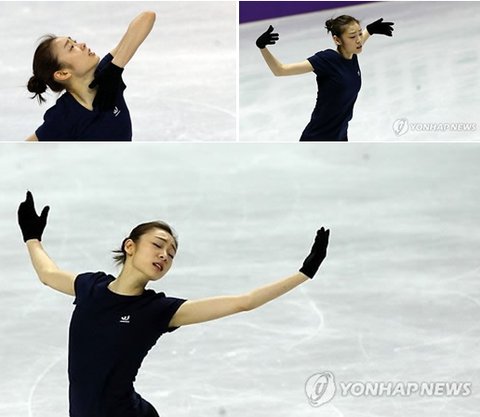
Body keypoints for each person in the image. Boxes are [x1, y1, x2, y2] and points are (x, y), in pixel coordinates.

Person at [17, 191, 330, 417]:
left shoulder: (157, 311)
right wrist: (32, 237)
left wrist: (303, 274)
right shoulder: (91, 287)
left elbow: (243, 303)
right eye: (157, 245)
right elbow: (49, 275)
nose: (164, 255)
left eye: (171, 253)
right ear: (130, 246)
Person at [255, 15, 394, 141]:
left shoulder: (352, 55)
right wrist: (262, 47)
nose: (358, 40)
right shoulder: (327, 60)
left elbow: (357, 42)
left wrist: (369, 30)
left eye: (359, 33)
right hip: (318, 138)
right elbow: (280, 70)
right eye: (352, 36)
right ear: (337, 40)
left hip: (340, 135)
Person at [25, 11, 156, 141]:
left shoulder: (106, 75)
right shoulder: (64, 115)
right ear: (63, 73)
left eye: (75, 41)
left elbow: (148, 17)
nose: (82, 44)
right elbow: (25, 147)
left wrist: (115, 68)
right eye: (71, 47)